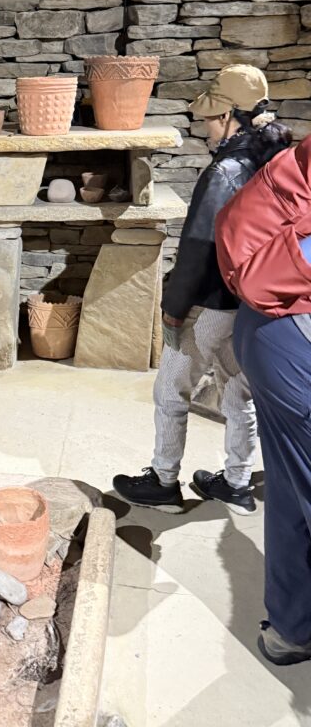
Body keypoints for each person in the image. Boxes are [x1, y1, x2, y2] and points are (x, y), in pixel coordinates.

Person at [113, 65, 292, 515]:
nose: (206, 127)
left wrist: (174, 307)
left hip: (211, 302)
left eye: (211, 118)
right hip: (253, 305)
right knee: (238, 392)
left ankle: (162, 481)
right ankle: (236, 483)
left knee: (172, 389)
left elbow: (198, 248)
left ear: (229, 115)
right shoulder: (277, 160)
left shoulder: (225, 172)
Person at [216, 133, 311, 664]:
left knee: (292, 489)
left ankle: (292, 629)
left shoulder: (282, 163)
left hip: (269, 332)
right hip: (296, 337)